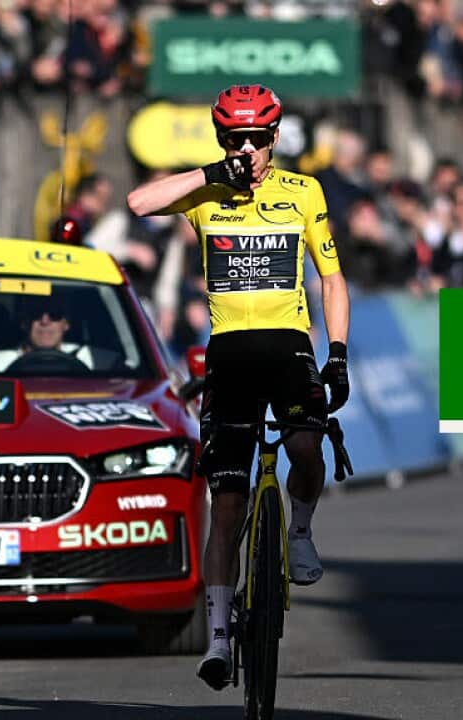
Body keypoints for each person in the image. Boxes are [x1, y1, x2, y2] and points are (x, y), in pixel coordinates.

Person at [126, 84, 351, 691]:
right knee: (225, 501)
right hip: (229, 353)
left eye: (255, 139)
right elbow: (140, 202)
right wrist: (210, 171)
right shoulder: (206, 190)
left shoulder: (303, 192)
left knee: (306, 448)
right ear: (221, 139)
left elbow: (331, 279)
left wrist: (337, 354)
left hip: (289, 346)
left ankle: (299, 529)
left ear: (275, 139)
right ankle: (221, 636)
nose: (246, 149)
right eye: (234, 139)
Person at [0, 295, 95, 372]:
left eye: (54, 315)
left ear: (66, 324)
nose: (45, 321)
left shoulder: (92, 358)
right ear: (24, 324)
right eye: (35, 314)